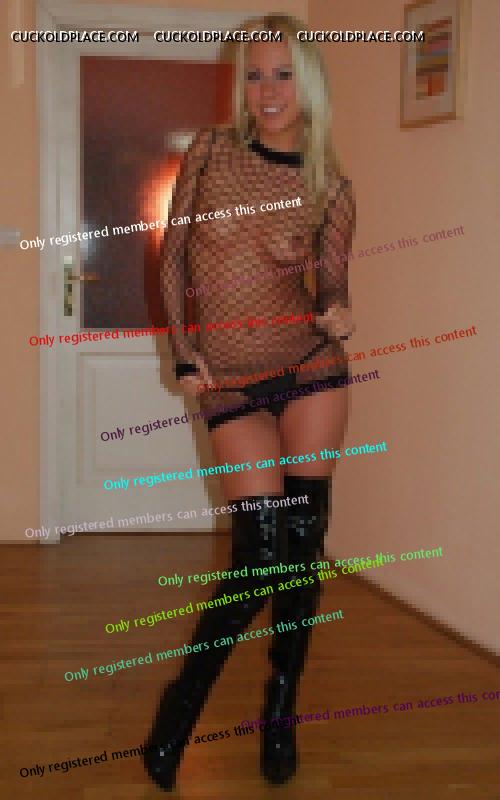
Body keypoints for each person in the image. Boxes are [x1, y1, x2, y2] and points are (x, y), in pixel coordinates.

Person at [143, 13, 356, 792]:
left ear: (308, 84)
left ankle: (280, 707)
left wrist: (338, 312)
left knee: (301, 551)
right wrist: (183, 349)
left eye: (283, 74)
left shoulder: (332, 187)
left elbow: (332, 289)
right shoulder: (210, 152)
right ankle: (182, 709)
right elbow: (173, 256)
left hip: (309, 370)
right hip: (230, 383)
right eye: (256, 75)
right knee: (259, 556)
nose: (268, 91)